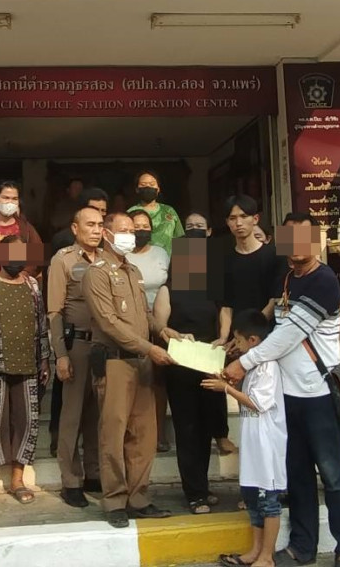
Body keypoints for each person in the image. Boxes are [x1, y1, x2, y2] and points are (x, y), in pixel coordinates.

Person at [223, 213, 340, 567]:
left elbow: (289, 335)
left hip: (319, 397)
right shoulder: (285, 281)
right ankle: (302, 546)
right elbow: (271, 329)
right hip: (286, 399)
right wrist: (241, 342)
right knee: (296, 476)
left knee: (333, 475)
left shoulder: (323, 281)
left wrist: (244, 362)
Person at [84, 212, 178, 528]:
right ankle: (114, 501)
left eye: (132, 231)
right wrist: (149, 348)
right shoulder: (97, 273)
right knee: (113, 433)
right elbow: (109, 322)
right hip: (115, 362)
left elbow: (144, 315)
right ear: (107, 234)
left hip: (142, 362)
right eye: (123, 230)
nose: (130, 235)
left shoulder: (133, 270)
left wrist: (163, 331)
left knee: (144, 434)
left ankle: (138, 498)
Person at [0, 236, 50, 513]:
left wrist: (44, 359)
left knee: (26, 422)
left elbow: (41, 324)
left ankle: (17, 480)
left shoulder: (32, 285)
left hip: (28, 365)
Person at [202, 309, 286, 567]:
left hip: (267, 445)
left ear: (253, 340)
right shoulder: (250, 367)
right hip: (252, 443)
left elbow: (258, 403)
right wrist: (226, 380)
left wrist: (226, 388)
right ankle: (255, 550)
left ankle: (267, 556)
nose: (236, 346)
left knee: (268, 501)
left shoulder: (268, 366)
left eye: (238, 341)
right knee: (252, 499)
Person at [159, 216, 224, 514]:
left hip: (209, 364)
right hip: (181, 366)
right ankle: (194, 493)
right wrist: (174, 333)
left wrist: (223, 337)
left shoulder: (213, 288)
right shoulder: (168, 289)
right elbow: (160, 326)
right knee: (187, 429)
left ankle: (203, 485)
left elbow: (223, 316)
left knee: (206, 427)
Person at [47, 205, 105, 508]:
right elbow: (55, 312)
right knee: (72, 415)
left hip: (104, 347)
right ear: (75, 228)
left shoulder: (108, 258)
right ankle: (71, 480)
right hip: (77, 346)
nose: (96, 230)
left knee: (98, 415)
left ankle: (94, 473)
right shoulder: (63, 260)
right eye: (90, 224)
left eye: (100, 224)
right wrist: (61, 355)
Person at [183, 211, 236, 457]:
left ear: (209, 231)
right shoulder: (179, 258)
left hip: (211, 338)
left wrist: (223, 336)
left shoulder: (217, 260)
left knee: (215, 388)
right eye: (189, 226)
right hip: (184, 338)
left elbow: (225, 305)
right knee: (189, 394)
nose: (194, 229)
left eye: (199, 225)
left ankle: (221, 435)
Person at [126, 208, 171, 452]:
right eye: (136, 227)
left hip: (161, 324)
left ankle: (160, 433)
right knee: (135, 380)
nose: (141, 230)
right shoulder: (122, 256)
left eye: (145, 226)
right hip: (131, 326)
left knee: (159, 381)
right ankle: (135, 434)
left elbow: (174, 283)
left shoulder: (161, 253)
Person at [218, 195, 283, 351]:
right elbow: (226, 306)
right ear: (227, 222)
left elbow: (274, 301)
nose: (238, 223)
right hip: (237, 339)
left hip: (267, 335)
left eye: (244, 216)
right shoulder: (223, 260)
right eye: (232, 218)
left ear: (255, 219)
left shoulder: (275, 255)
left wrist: (248, 333)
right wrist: (224, 337)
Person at [128, 170, 184, 256]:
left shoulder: (169, 211)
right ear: (137, 189)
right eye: (143, 185)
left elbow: (180, 238)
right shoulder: (131, 212)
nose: (148, 187)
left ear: (158, 189)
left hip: (168, 261)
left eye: (152, 184)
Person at [51, 188, 108, 254]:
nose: (99, 214)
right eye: (95, 209)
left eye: (103, 210)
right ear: (81, 209)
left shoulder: (107, 238)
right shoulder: (65, 239)